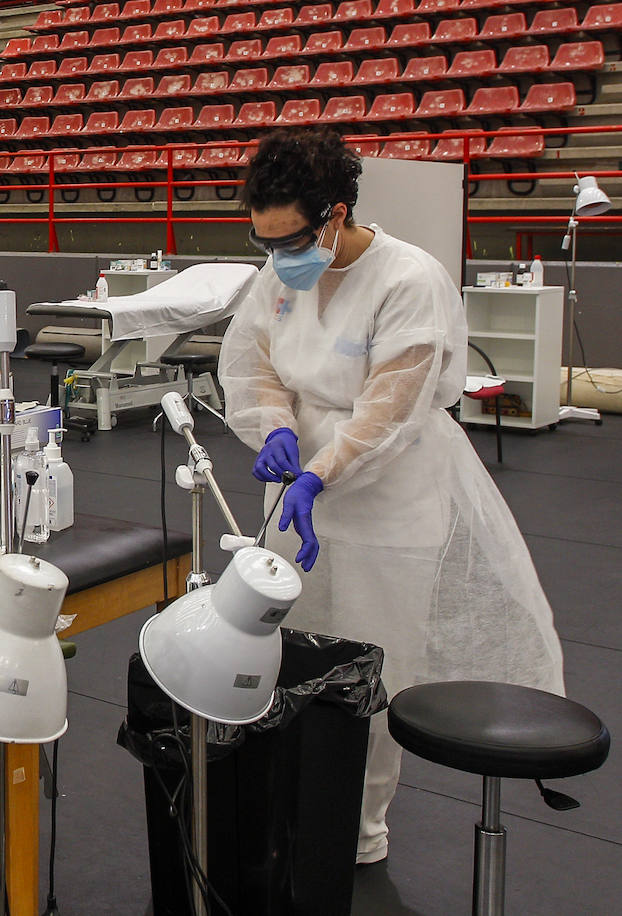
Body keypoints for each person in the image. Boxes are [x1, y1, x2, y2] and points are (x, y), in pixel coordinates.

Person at [218, 127, 565, 866]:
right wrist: (277, 428)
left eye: (292, 240)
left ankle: (359, 828)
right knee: (288, 644)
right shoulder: (281, 273)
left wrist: (320, 473)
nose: (279, 259)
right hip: (302, 480)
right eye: (265, 242)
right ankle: (294, 798)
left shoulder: (410, 279)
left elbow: (389, 410)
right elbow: (254, 364)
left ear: (336, 215)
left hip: (390, 488)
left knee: (375, 665)